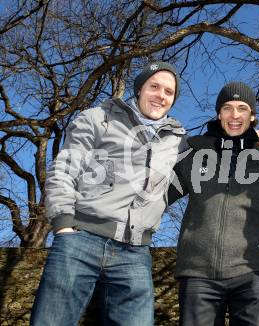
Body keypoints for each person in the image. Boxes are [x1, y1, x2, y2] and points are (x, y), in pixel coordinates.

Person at [31, 61, 186, 326]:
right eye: (155, 86)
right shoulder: (98, 117)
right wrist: (63, 224)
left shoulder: (178, 140)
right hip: (80, 240)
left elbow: (215, 157)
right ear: (139, 89)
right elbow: (64, 169)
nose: (161, 95)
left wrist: (253, 136)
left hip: (135, 252)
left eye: (169, 92)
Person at [168, 82, 259, 326]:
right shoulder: (194, 154)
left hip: (253, 272)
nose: (234, 115)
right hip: (198, 274)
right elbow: (156, 195)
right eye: (227, 108)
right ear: (218, 114)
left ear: (253, 116)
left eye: (242, 108)